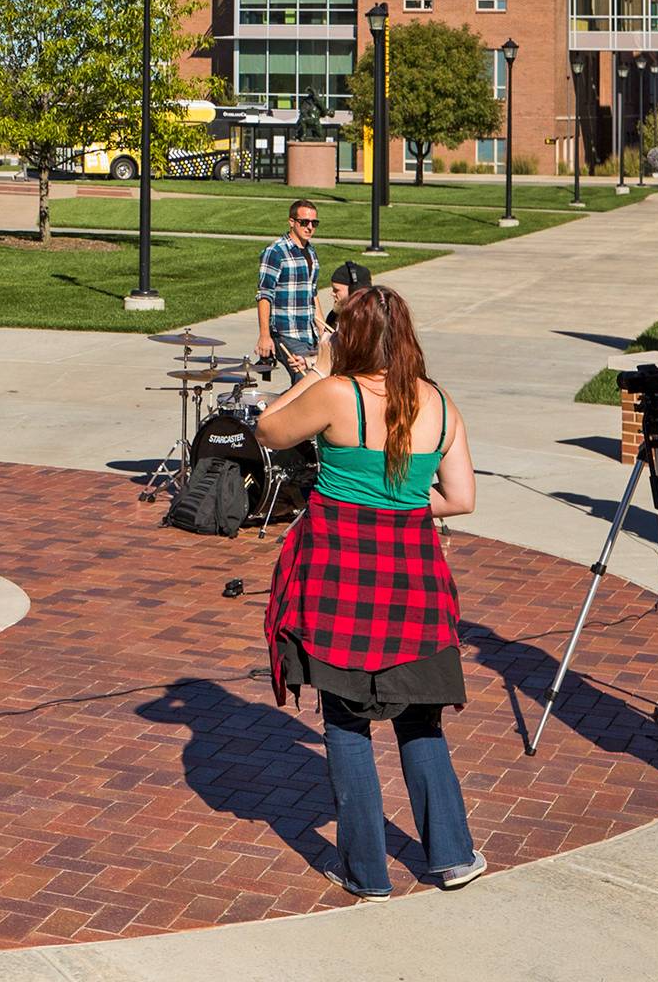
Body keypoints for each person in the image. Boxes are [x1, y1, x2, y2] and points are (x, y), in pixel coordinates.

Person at [256, 284, 486, 898]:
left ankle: (367, 871)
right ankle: (453, 855)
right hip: (415, 577)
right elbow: (460, 499)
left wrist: (319, 370)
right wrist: (402, 503)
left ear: (349, 336)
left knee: (345, 717)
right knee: (420, 717)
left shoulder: (337, 393)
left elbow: (267, 430)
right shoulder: (439, 403)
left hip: (340, 577)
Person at [255, 199, 322, 383]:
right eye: (304, 222)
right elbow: (264, 294)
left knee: (322, 379)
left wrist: (323, 331)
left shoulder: (311, 251)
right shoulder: (276, 252)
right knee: (307, 383)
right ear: (291, 222)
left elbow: (312, 292)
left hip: (309, 333)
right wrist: (265, 336)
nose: (309, 227)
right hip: (286, 333)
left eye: (314, 223)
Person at [321, 258, 371, 367]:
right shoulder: (333, 316)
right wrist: (307, 361)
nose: (332, 294)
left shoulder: (368, 321)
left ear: (355, 291)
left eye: (336, 290)